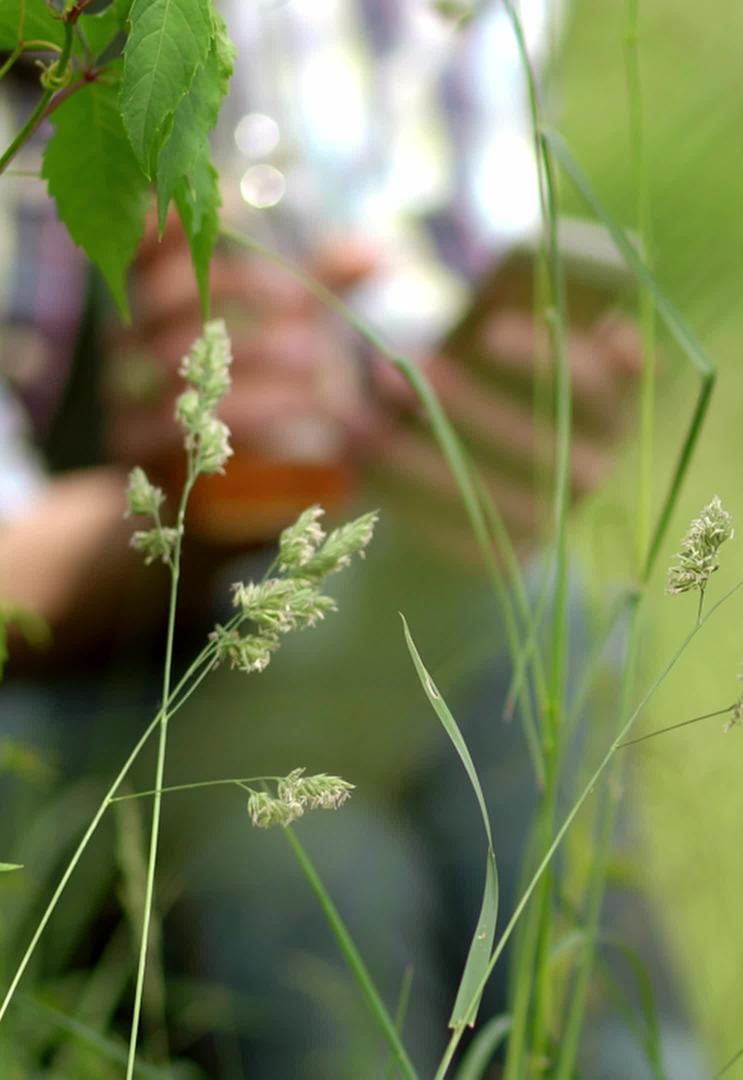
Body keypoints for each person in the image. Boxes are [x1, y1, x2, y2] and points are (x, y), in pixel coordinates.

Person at [0, 1, 698, 1074]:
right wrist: (165, 519)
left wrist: (446, 432)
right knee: (328, 851)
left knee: (362, 816)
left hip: (322, 641)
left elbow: (415, 318)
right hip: (59, 683)